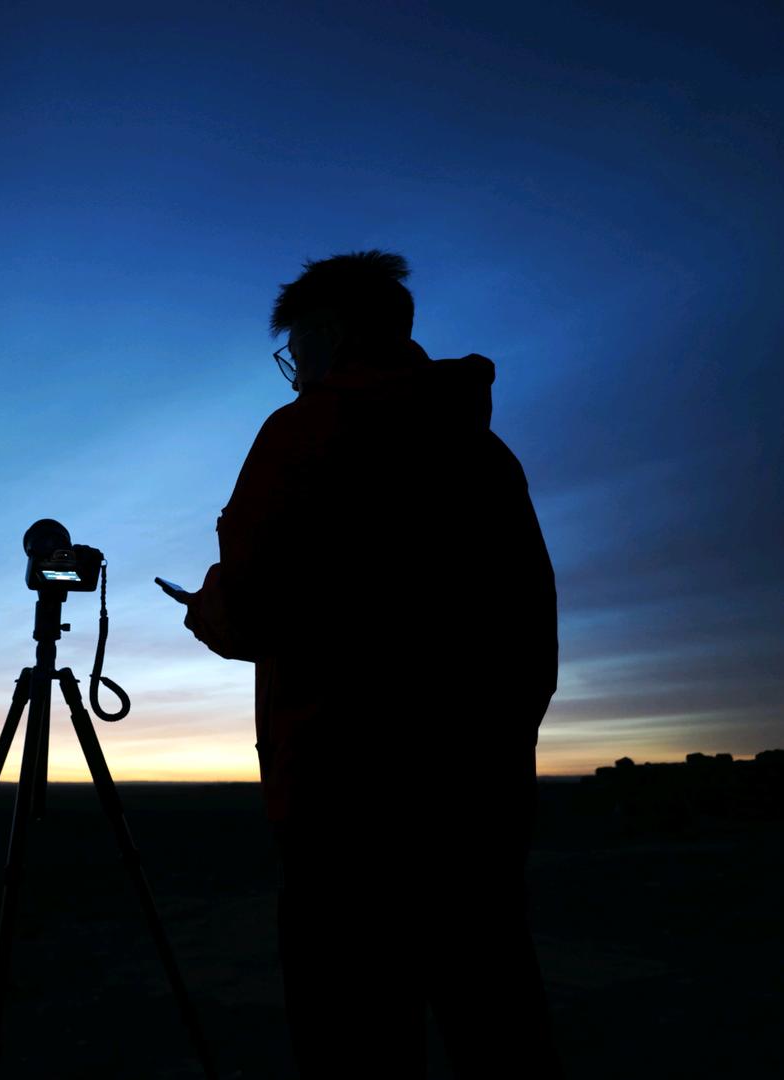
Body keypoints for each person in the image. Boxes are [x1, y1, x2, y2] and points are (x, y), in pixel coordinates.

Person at [165, 250, 565, 1078]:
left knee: (354, 1035)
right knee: (494, 1016)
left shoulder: (305, 433)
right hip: (480, 796)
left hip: (344, 804)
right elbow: (529, 627)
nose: (294, 373)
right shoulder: (485, 455)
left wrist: (206, 609)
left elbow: (253, 604)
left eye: (295, 353)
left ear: (328, 335)